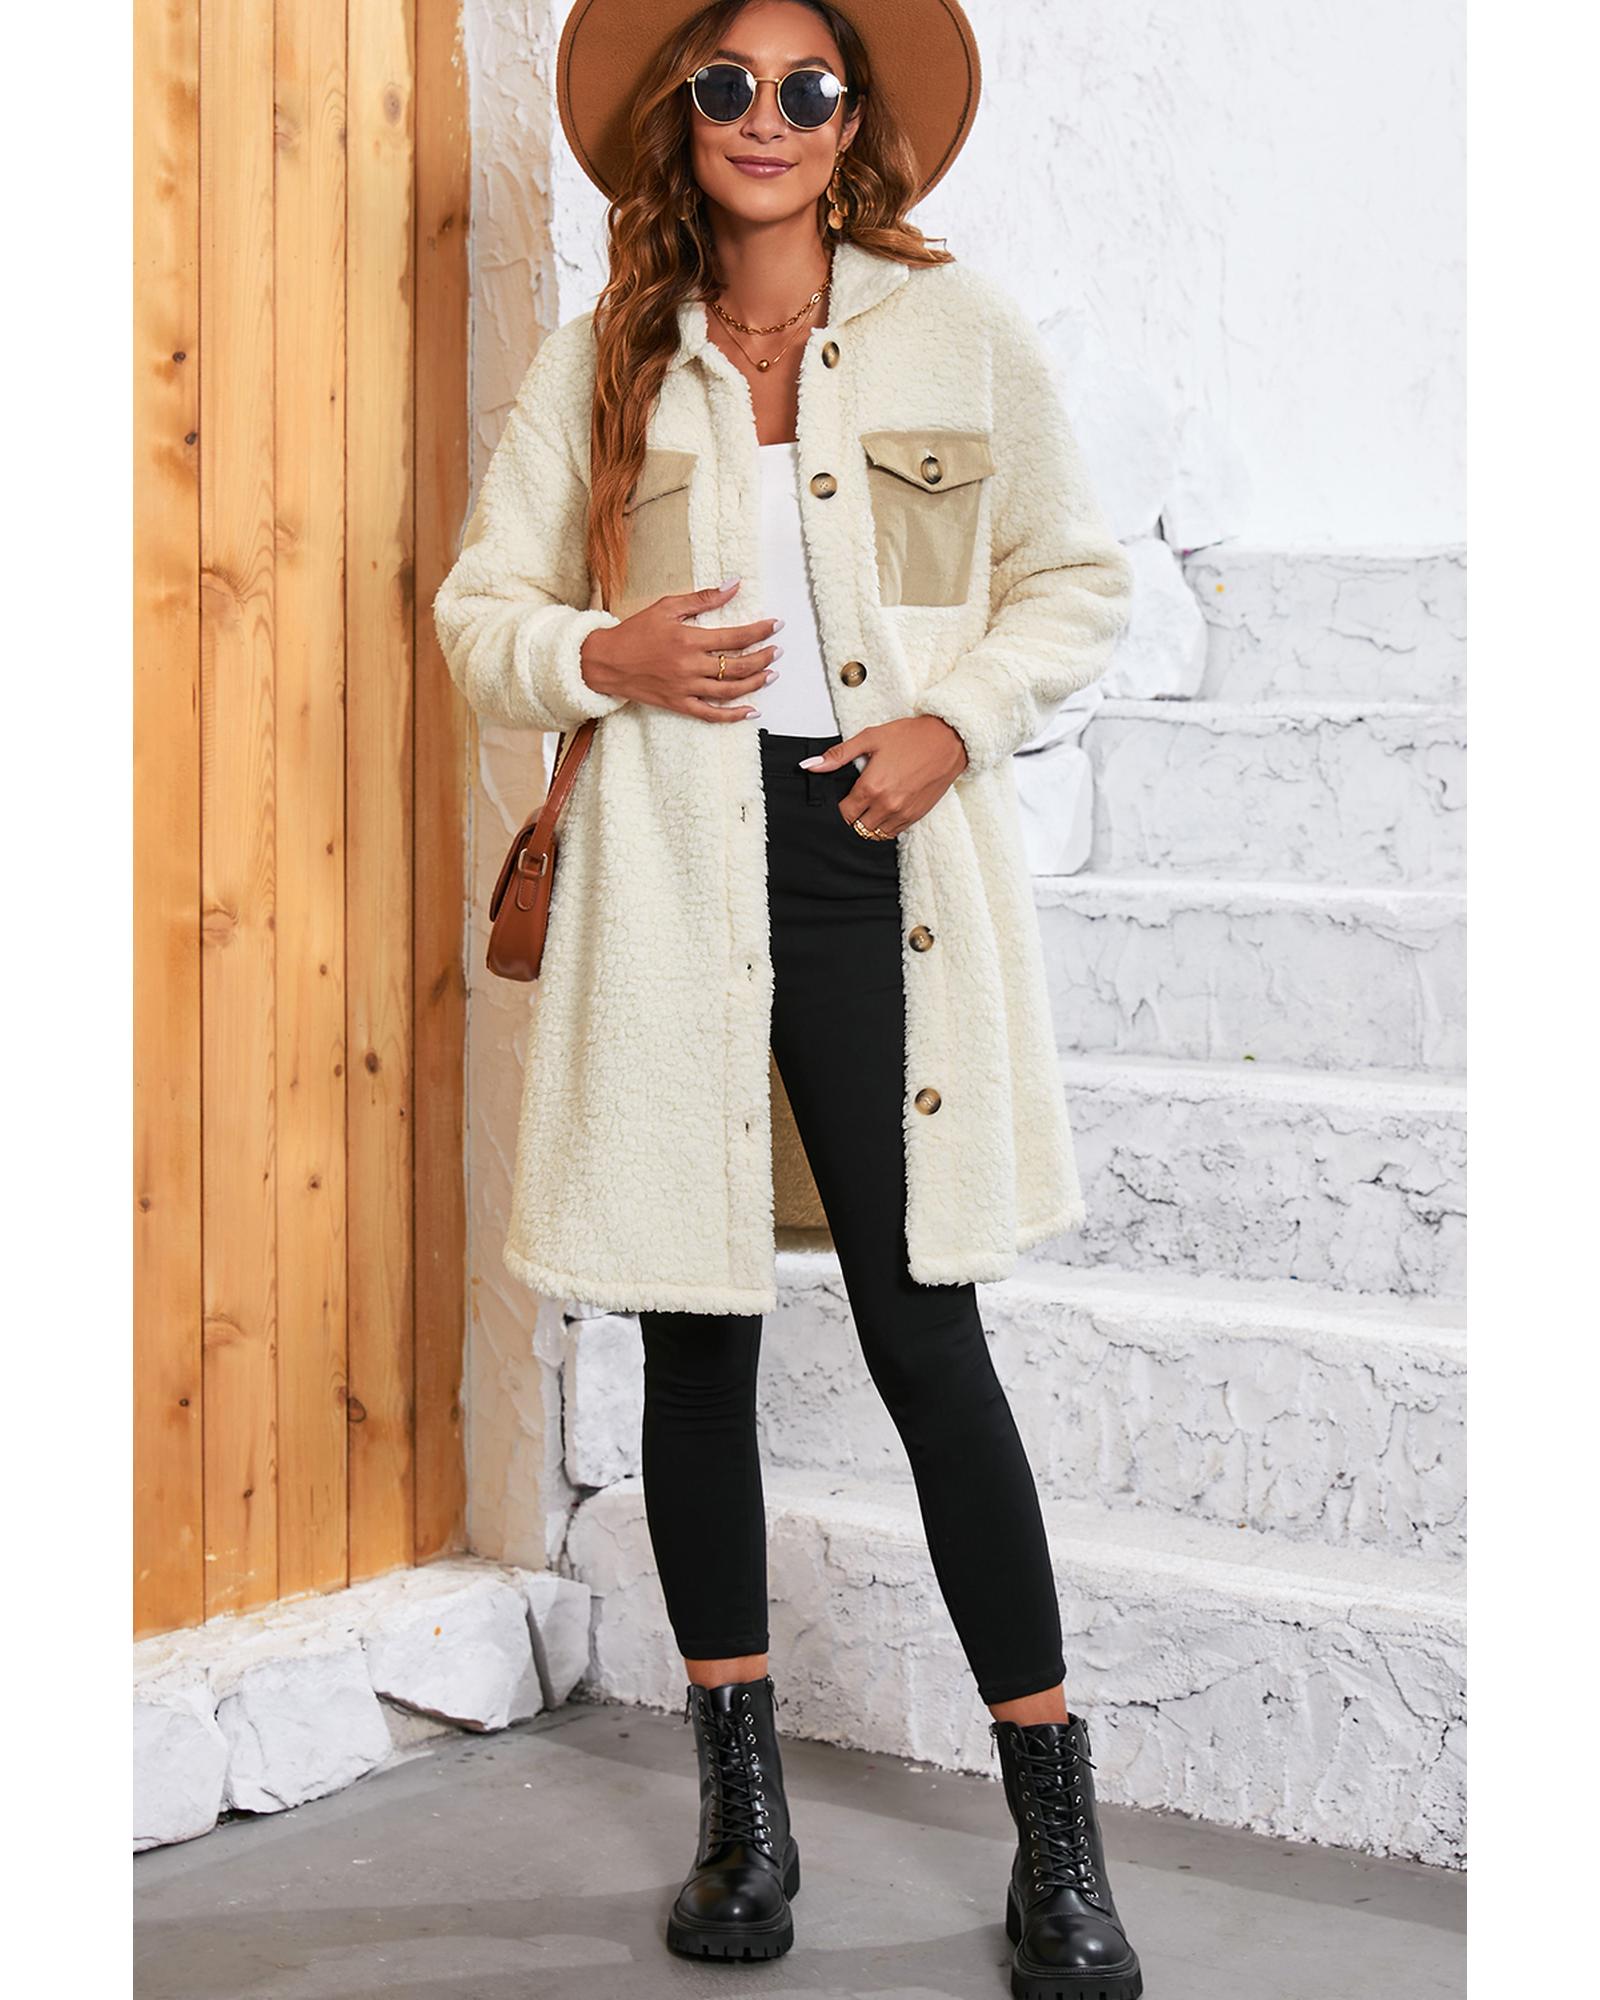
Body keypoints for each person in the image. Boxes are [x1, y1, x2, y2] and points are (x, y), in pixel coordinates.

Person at [433, 2, 1140, 1992]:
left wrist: (951, 722)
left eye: (804, 89)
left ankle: (1055, 1837)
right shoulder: (601, 360)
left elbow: (1072, 581)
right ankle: (742, 1822)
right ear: (683, 117)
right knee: (696, 1340)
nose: (763, 116)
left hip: (873, 863)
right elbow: (481, 619)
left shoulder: (953, 330)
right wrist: (609, 654)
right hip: (669, 882)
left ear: (852, 126)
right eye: (726, 86)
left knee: (928, 1341)